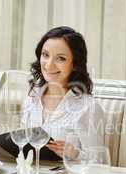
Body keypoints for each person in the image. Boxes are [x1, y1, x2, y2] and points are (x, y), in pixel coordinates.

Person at [21, 26, 105, 158]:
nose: (49, 65)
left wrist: (75, 154)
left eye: (60, 58)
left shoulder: (88, 108)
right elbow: (21, 153)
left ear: (75, 64)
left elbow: (100, 162)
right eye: (45, 55)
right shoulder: (31, 99)